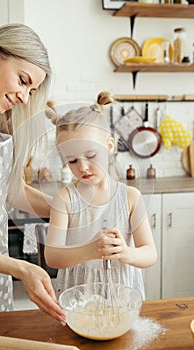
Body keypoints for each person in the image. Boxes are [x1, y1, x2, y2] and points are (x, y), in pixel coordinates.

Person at [0, 23, 66, 325]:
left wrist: (74, 210)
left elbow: (13, 191)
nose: (24, 96)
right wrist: (19, 267)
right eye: (22, 80)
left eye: (31, 90)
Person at [44, 92, 157, 300]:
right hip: (78, 295)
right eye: (72, 160)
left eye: (90, 155)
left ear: (110, 145)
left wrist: (126, 253)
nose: (83, 167)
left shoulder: (131, 197)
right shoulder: (65, 199)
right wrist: (90, 250)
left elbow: (150, 253)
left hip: (122, 294)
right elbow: (52, 256)